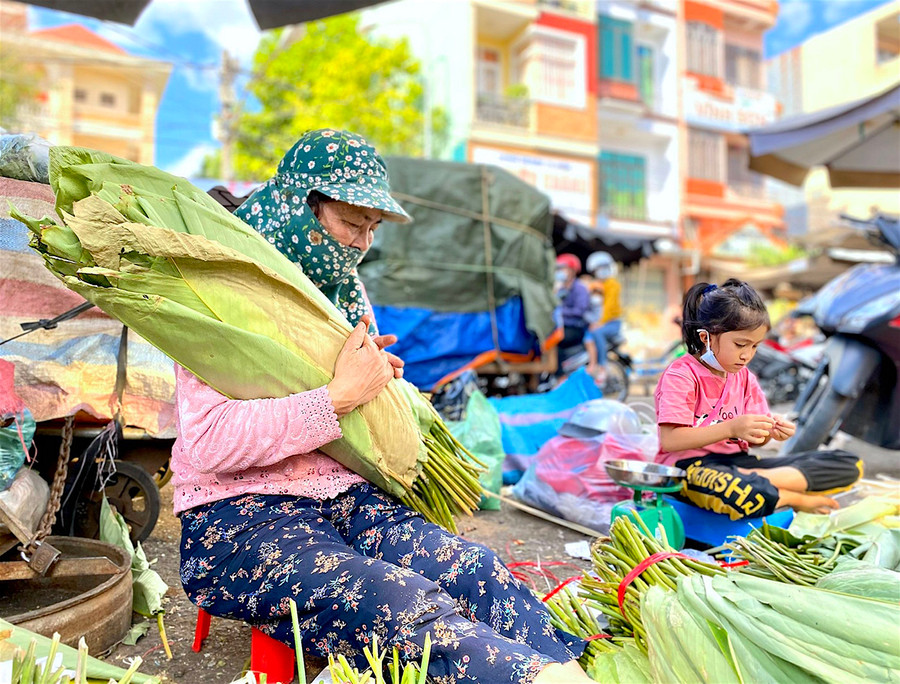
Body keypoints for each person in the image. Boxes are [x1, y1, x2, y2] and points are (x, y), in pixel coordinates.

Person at [172, 129, 590, 684]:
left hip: (348, 499)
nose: (362, 243)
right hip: (242, 518)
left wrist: (382, 385)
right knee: (402, 607)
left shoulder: (345, 289)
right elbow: (208, 441)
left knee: (477, 571)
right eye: (351, 222)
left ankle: (582, 670)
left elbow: (361, 393)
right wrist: (338, 396)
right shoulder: (226, 293)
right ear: (303, 206)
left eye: (371, 228)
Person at [654, 278, 862, 521]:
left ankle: (756, 483)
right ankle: (792, 497)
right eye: (740, 344)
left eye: (754, 346)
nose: (747, 355)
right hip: (690, 469)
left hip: (739, 465)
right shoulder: (681, 375)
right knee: (730, 488)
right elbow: (670, 440)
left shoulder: (744, 378)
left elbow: (756, 442)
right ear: (706, 337)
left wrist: (769, 432)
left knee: (848, 464)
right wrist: (732, 427)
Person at [584, 252, 622, 385]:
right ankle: (592, 364)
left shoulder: (613, 284)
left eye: (603, 267)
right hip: (600, 322)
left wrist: (600, 323)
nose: (600, 271)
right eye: (597, 269)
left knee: (596, 332)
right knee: (587, 336)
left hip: (612, 323)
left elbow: (609, 306)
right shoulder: (597, 285)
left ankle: (603, 367)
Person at [553, 253, 590, 361]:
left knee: (555, 341)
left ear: (573, 270)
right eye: (558, 269)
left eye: (563, 269)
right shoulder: (560, 288)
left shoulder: (580, 288)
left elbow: (580, 311)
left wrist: (561, 311)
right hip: (560, 326)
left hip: (575, 328)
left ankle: (559, 375)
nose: (560, 272)